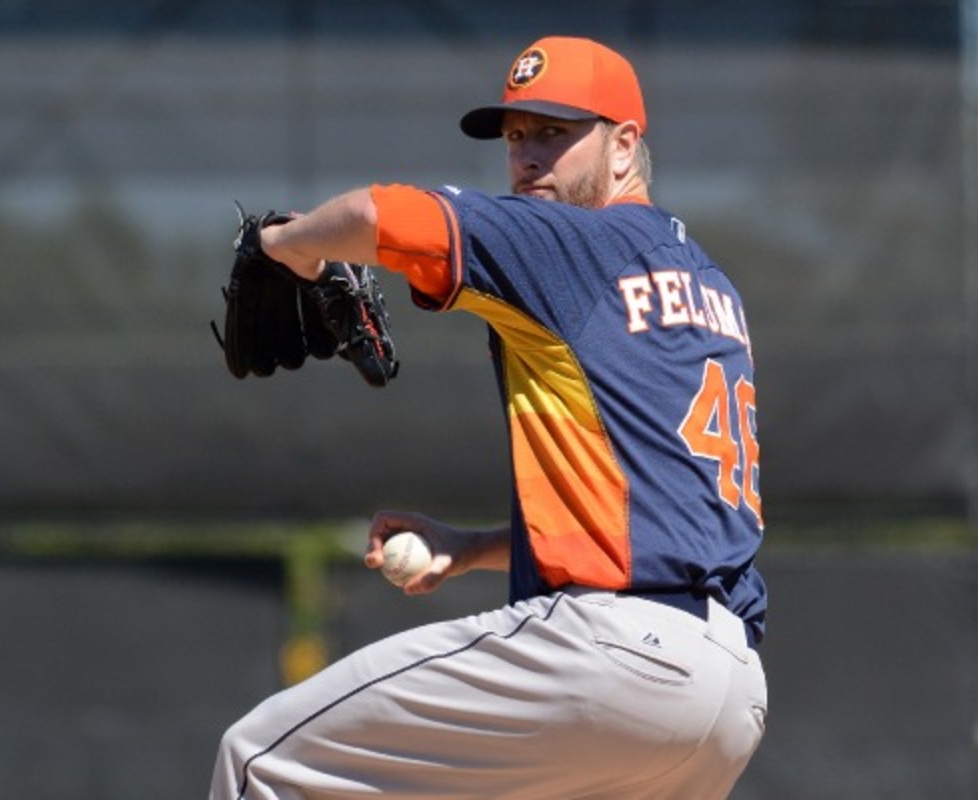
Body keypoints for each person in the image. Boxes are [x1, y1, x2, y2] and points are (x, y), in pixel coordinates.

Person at [210, 35, 768, 800]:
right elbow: (658, 515)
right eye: (515, 137)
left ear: (624, 145)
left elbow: (384, 214)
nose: (529, 157)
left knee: (258, 761)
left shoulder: (569, 239)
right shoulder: (711, 289)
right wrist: (473, 548)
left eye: (554, 132)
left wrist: (282, 247)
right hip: (726, 697)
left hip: (609, 663)